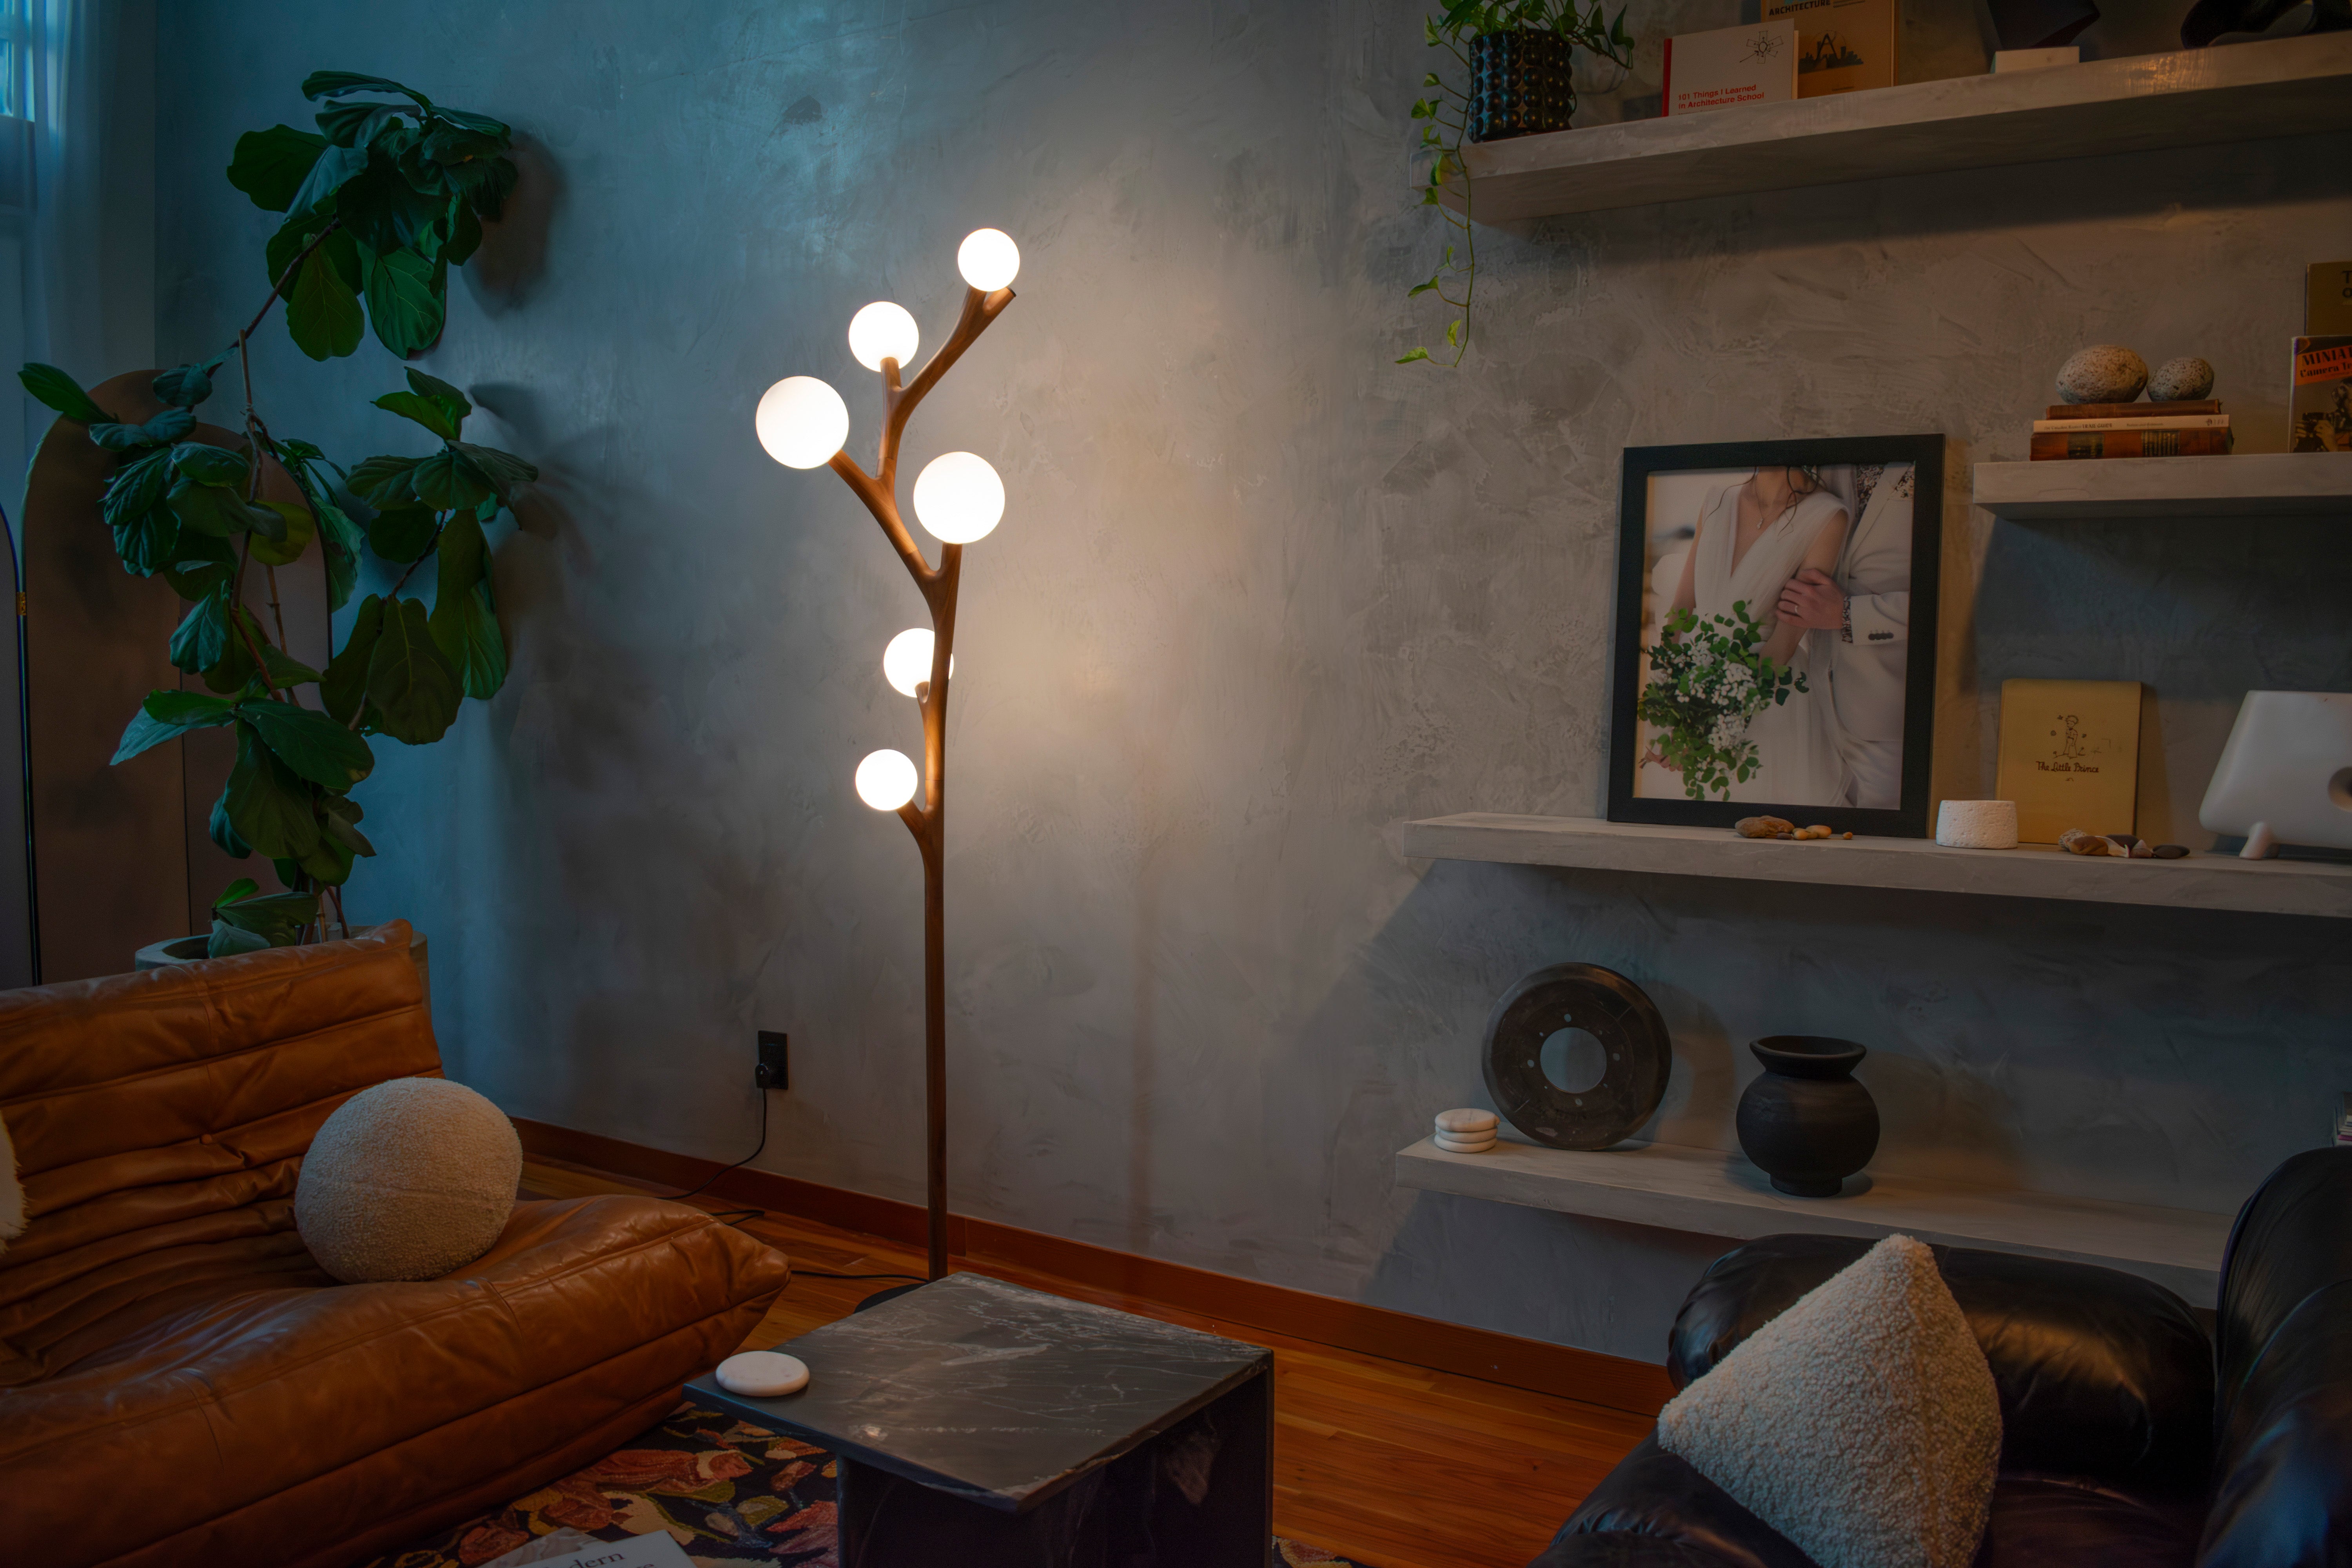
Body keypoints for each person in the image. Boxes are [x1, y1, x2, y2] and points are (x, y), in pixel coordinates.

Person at [1658, 466, 1851, 804]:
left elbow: (1786, 640)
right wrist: (1669, 709)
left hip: (1765, 692)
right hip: (1690, 683)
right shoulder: (1718, 497)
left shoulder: (1827, 516)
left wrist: (1713, 725)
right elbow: (1681, 609)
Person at [1775, 463, 1911, 809]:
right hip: (1809, 712)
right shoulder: (1821, 462)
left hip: (1890, 716)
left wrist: (1849, 615)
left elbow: (1954, 598)